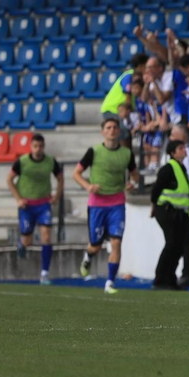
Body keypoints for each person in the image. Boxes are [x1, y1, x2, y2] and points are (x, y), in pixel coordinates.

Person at [74, 118, 137, 294]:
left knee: (116, 242)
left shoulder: (127, 153)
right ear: (103, 131)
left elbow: (135, 175)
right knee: (96, 244)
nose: (112, 130)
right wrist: (88, 186)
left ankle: (110, 282)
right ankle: (88, 255)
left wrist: (132, 183)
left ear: (119, 131)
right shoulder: (93, 152)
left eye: (115, 127)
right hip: (97, 204)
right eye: (108, 127)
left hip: (117, 203)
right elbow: (76, 173)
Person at [9, 133, 63, 284]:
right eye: (35, 146)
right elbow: (9, 179)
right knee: (28, 239)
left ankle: (44, 273)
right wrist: (18, 199)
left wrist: (56, 196)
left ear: (44, 147)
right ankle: (22, 243)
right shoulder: (22, 161)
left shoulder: (50, 161)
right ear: (31, 147)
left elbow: (60, 178)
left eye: (40, 146)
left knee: (46, 236)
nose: (38, 149)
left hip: (43, 204)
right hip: (27, 205)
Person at [149, 139, 189, 291]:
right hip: (167, 211)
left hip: (179, 213)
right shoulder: (168, 169)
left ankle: (169, 279)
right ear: (172, 153)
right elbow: (156, 190)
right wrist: (153, 206)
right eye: (180, 148)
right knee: (172, 244)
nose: (184, 150)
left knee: (178, 247)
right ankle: (160, 279)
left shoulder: (181, 168)